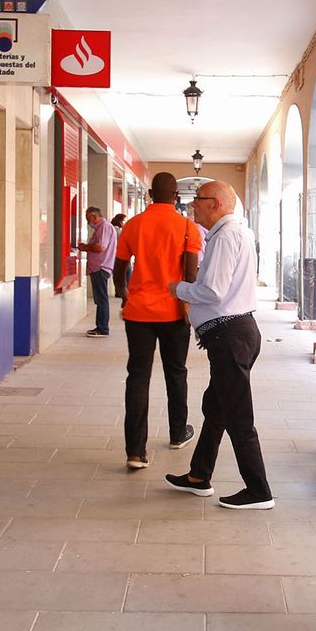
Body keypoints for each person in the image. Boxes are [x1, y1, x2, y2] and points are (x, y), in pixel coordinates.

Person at [163, 181, 274, 509]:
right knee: (217, 408)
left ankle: (259, 491)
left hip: (230, 336)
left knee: (238, 415)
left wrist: (178, 289)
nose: (192, 204)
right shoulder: (229, 233)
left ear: (216, 203)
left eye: (198, 199)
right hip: (233, 334)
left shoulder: (226, 236)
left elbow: (213, 291)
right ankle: (199, 476)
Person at [114, 173, 202, 470]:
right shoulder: (188, 227)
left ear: (150, 193)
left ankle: (135, 451)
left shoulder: (133, 225)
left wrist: (125, 296)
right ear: (176, 195)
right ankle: (178, 433)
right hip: (174, 313)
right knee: (176, 372)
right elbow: (190, 276)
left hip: (138, 313)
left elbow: (119, 268)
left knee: (137, 377)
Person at [76, 206, 117, 338]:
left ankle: (102, 328)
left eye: (88, 219)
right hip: (99, 267)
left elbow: (100, 247)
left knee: (101, 299)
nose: (88, 222)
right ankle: (100, 326)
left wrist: (86, 247)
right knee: (100, 299)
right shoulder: (103, 227)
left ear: (94, 216)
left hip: (101, 267)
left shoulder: (104, 227)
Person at [109, 214, 128, 297]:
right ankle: (123, 292)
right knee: (126, 273)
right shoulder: (117, 230)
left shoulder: (113, 229)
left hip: (116, 254)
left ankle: (119, 292)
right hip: (121, 254)